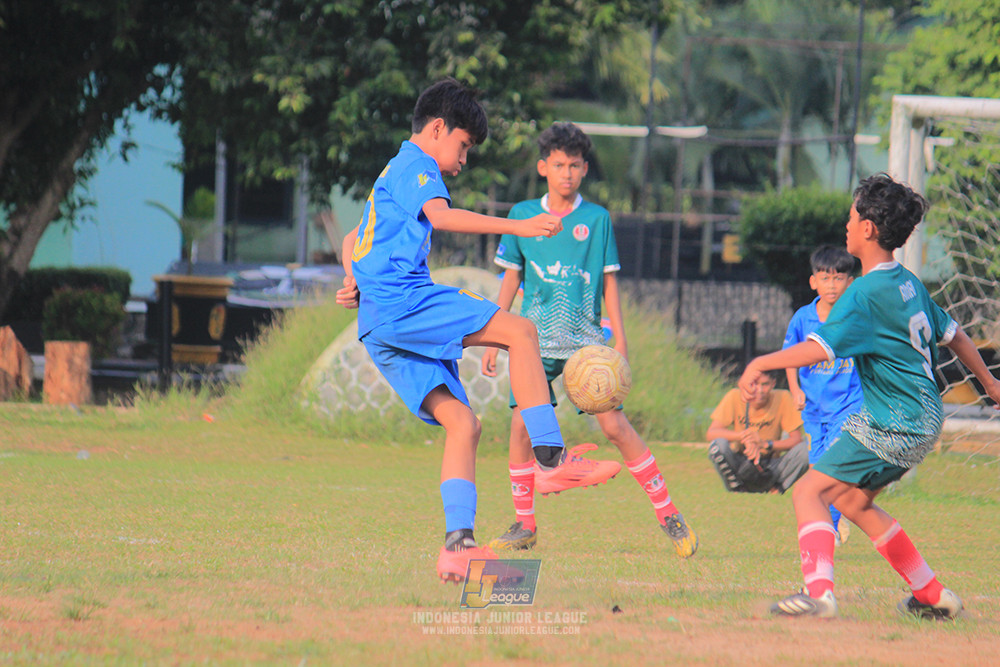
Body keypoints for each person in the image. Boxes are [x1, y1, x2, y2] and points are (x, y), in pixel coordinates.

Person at [334, 80, 618, 583]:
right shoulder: (417, 165)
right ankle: (550, 459)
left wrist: (353, 275)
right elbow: (441, 218)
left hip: (377, 324)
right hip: (406, 302)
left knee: (465, 426)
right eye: (463, 145)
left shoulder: (391, 170)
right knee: (522, 331)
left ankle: (457, 550)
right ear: (438, 128)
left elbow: (354, 236)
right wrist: (519, 227)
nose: (463, 158)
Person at [739, 173, 1000, 619]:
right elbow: (955, 336)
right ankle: (934, 595)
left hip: (894, 419)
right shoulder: (907, 283)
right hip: (923, 416)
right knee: (853, 501)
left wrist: (762, 362)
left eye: (851, 214)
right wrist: (991, 384)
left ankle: (818, 595)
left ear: (867, 229)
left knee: (809, 493)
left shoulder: (863, 293)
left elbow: (819, 348)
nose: (846, 223)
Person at [481, 121, 698, 558]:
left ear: (584, 169)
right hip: (532, 341)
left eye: (575, 166)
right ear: (544, 166)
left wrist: (619, 339)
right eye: (558, 164)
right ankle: (525, 525)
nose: (567, 173)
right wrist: (493, 333)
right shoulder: (523, 215)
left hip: (586, 344)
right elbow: (510, 275)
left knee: (614, 425)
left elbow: (609, 281)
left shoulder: (596, 219)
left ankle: (669, 514)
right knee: (522, 426)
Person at [783, 245, 864, 544]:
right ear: (813, 281)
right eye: (825, 278)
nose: (832, 285)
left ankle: (826, 532)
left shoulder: (856, 318)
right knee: (817, 470)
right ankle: (835, 517)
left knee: (829, 467)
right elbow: (789, 356)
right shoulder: (803, 319)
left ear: (850, 282)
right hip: (814, 409)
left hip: (849, 406)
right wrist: (795, 391)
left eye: (839, 278)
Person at [706, 370, 810, 494]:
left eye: (765, 385)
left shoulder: (782, 397)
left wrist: (765, 444)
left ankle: (777, 488)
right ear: (745, 384)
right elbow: (711, 433)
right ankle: (736, 487)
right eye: (754, 384)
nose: (759, 390)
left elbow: (796, 440)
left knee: (807, 449)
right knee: (717, 445)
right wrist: (743, 436)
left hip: (769, 462)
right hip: (741, 460)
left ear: (773, 384)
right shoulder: (734, 396)